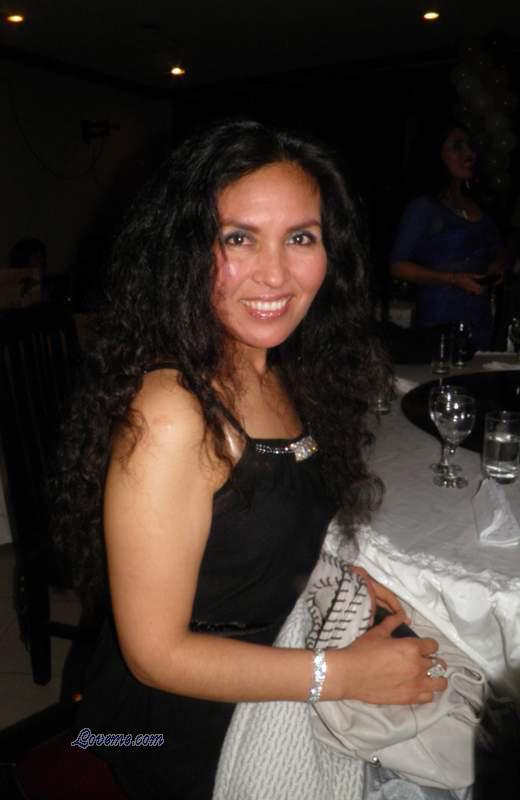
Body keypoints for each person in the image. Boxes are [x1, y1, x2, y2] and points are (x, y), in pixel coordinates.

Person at [52, 120, 447, 799]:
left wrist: (340, 581)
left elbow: (264, 525)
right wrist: (340, 675)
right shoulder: (173, 412)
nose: (275, 273)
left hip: (273, 664)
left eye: (301, 238)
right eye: (238, 237)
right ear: (185, 251)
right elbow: (154, 656)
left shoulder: (280, 373)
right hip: (155, 727)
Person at [390, 123, 503, 349]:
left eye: (470, 146)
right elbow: (397, 266)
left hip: (480, 321)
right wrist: (453, 279)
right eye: (457, 147)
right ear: (438, 155)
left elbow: (499, 252)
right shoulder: (424, 206)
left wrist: (496, 268)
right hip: (439, 319)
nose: (468, 153)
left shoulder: (480, 205)